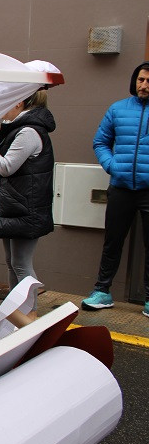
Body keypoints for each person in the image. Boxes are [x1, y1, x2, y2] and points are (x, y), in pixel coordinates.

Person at [0, 89, 56, 321]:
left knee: (21, 265)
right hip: (17, 205)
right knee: (13, 263)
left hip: (25, 207)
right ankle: (17, 314)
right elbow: (3, 164)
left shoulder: (28, 132)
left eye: (6, 103)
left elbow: (5, 167)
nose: (2, 110)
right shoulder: (21, 129)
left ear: (19, 103)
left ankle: (29, 319)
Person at [82, 61, 149, 316]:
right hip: (120, 187)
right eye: (141, 80)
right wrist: (112, 166)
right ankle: (103, 291)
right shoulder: (118, 109)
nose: (144, 85)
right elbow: (100, 141)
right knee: (112, 241)